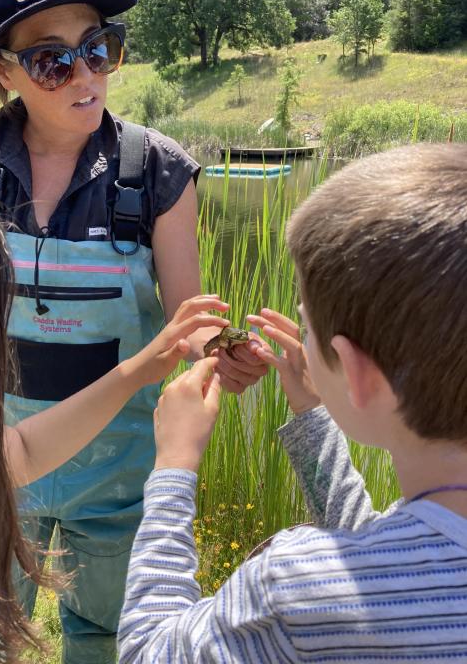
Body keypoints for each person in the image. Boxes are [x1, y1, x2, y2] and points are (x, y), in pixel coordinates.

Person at [0, 0, 267, 660]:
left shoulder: (159, 171)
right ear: (1, 69)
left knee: (108, 638)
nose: (85, 77)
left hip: (119, 477)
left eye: (99, 48)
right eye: (53, 61)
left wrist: (220, 353)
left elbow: (186, 320)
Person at [118, 143, 467, 662]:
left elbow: (149, 650)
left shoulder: (295, 589)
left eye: (307, 326)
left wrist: (173, 467)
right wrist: (311, 409)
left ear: (355, 374)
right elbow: (373, 546)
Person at [0, 149, 232, 664]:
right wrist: (178, 467)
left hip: (113, 468)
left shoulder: (155, 170)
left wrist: (145, 367)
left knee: (98, 627)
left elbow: (14, 453)